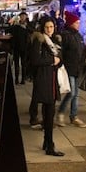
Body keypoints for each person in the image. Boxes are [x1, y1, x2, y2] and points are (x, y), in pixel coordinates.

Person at [30, 16, 64, 157]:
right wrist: (52, 60)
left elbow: (61, 59)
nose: (49, 29)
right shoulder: (39, 40)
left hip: (52, 79)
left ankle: (47, 142)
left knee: (49, 112)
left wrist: (58, 61)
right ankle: (50, 145)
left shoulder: (55, 41)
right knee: (49, 113)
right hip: (44, 80)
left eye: (51, 27)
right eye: (47, 27)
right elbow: (35, 60)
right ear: (42, 28)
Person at [57, 12, 86, 128]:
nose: (78, 24)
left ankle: (73, 116)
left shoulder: (78, 35)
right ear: (71, 23)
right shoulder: (66, 35)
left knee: (76, 94)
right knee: (71, 92)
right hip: (69, 68)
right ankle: (61, 113)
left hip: (78, 68)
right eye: (76, 22)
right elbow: (63, 52)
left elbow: (82, 51)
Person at [7, 12, 30, 85]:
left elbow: (32, 31)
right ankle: (16, 79)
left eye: (24, 16)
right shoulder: (16, 26)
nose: (23, 17)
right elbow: (9, 31)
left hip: (25, 47)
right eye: (22, 16)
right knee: (16, 64)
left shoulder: (28, 25)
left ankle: (23, 79)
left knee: (24, 64)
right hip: (16, 47)